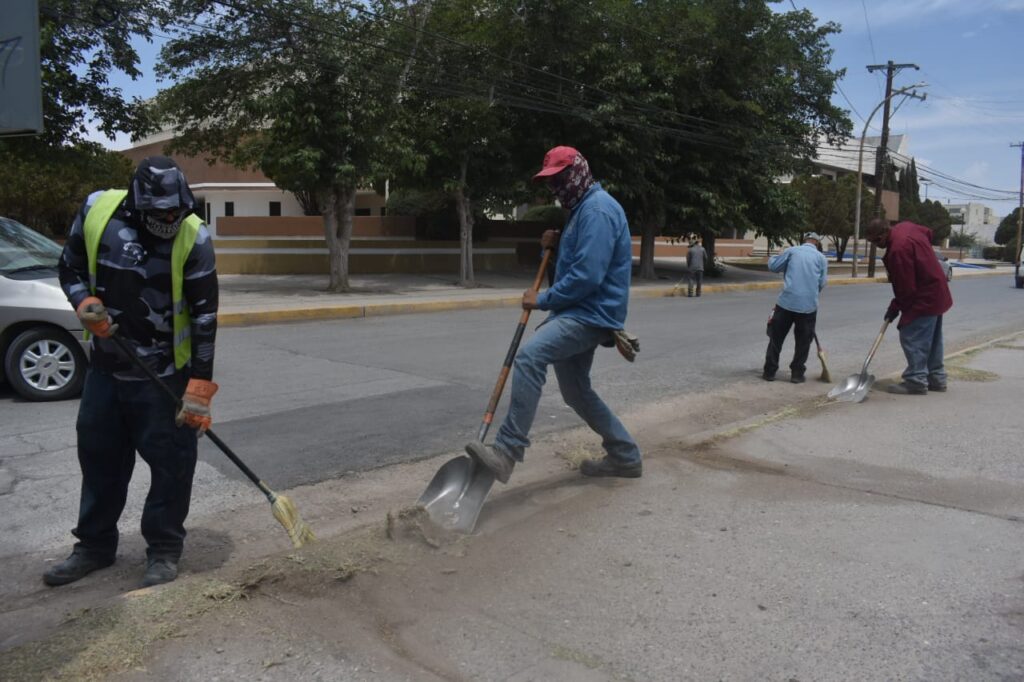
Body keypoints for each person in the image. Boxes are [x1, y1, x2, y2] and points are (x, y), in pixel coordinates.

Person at [45, 156, 219, 588]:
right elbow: (68, 267)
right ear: (138, 203)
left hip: (164, 378)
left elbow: (204, 317)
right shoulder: (98, 210)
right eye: (162, 213)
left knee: (172, 467)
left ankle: (163, 549)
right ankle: (94, 547)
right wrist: (83, 301)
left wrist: (199, 388)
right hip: (105, 372)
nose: (171, 219)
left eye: (177, 210)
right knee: (99, 462)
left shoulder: (194, 236)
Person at [465, 146, 642, 482]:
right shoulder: (582, 210)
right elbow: (576, 263)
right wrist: (557, 245)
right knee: (576, 392)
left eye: (560, 179)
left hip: (590, 313)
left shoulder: (597, 211)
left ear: (578, 173)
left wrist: (542, 299)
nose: (556, 188)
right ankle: (625, 456)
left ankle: (506, 452)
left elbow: (587, 277)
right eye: (551, 182)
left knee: (530, 357)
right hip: (578, 310)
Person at [866, 218, 953, 395]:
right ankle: (936, 379)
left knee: (912, 336)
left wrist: (895, 306)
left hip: (924, 297)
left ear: (883, 235)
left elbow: (906, 288)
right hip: (936, 291)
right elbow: (928, 232)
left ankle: (916, 380)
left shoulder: (898, 250)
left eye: (876, 241)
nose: (876, 245)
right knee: (932, 339)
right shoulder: (906, 227)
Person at [763, 231, 828, 383]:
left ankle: (769, 372)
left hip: (786, 303)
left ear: (804, 240)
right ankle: (797, 374)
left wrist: (776, 256)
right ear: (817, 243)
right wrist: (810, 294)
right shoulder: (821, 258)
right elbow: (822, 282)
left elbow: (774, 267)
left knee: (776, 339)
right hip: (808, 307)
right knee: (803, 342)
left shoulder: (792, 251)